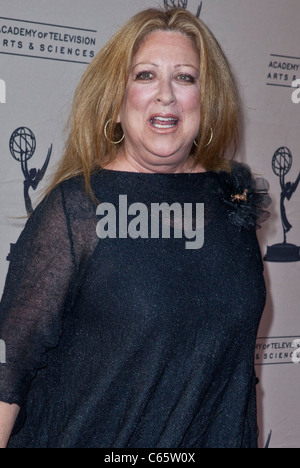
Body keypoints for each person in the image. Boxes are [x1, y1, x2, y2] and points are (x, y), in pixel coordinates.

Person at [0, 7, 270, 448]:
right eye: (145, 75)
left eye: (186, 77)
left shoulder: (232, 203)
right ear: (117, 99)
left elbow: (234, 378)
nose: (166, 95)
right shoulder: (78, 209)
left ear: (206, 97)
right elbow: (8, 370)